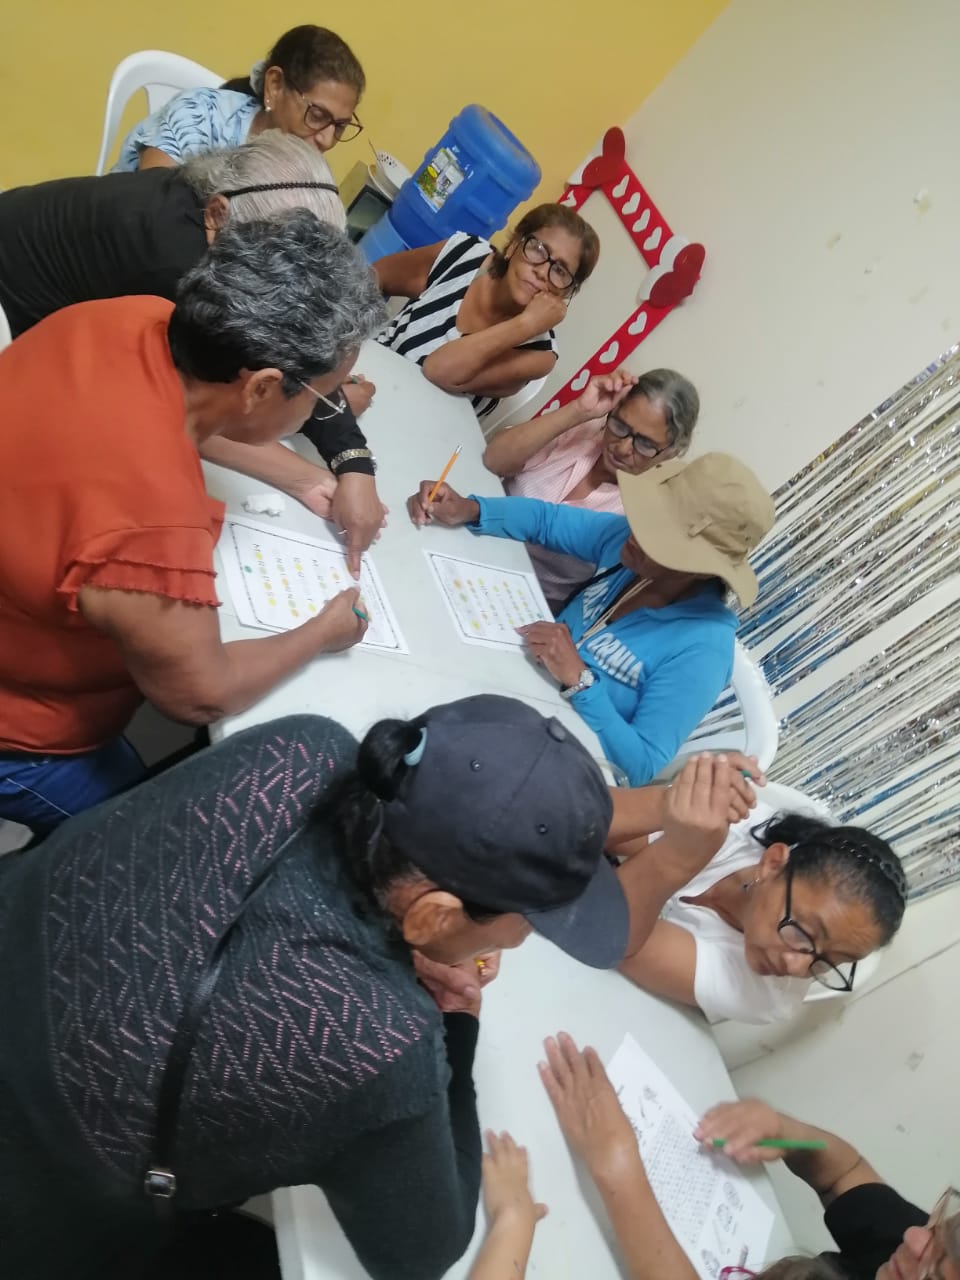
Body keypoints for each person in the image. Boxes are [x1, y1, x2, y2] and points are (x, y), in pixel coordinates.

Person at [0, 696, 633, 1279]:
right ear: (434, 915)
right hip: (36, 1201)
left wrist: (384, 950)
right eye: (528, 923)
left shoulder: (301, 747)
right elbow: (422, 1251)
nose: (521, 940)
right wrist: (457, 1027)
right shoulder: (380, 1044)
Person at [0, 211, 384, 836]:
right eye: (324, 397)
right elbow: (200, 693)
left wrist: (307, 480)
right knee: (144, 831)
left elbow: (194, 419)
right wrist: (324, 631)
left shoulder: (133, 317)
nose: (327, 409)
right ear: (262, 387)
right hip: (20, 729)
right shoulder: (149, 523)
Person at [0, 133, 383, 567]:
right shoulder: (176, 274)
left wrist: (351, 457)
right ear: (218, 215)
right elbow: (206, 407)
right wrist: (307, 477)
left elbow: (295, 352)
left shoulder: (194, 220)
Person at [407, 453, 775, 784]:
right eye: (647, 517)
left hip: (552, 763)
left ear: (698, 568)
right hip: (514, 691)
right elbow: (547, 521)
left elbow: (640, 765)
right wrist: (472, 509)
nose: (636, 533)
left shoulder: (703, 651)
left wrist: (580, 681)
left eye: (657, 537)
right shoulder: (631, 547)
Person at [539, 1033, 953, 1280]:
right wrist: (787, 1134)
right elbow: (845, 1172)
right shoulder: (919, 1244)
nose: (912, 1237)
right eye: (939, 1227)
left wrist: (617, 1167)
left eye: (934, 1273)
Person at [616, 800, 907, 1024]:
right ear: (772, 864)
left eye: (829, 962)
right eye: (802, 933)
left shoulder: (771, 994)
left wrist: (679, 851)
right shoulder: (739, 823)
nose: (796, 968)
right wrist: (668, 803)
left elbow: (613, 936)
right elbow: (601, 823)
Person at [483, 367, 700, 610]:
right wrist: (578, 411)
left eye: (645, 444)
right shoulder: (585, 430)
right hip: (478, 532)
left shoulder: (643, 515)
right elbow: (494, 459)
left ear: (671, 452)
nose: (623, 448)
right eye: (620, 426)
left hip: (519, 600)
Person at [375, 203, 600, 419]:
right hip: (371, 379)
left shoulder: (540, 354)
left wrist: (526, 325)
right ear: (514, 245)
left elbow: (438, 370)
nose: (542, 272)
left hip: (421, 430)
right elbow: (376, 276)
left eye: (560, 271)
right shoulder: (465, 253)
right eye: (539, 250)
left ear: (566, 291)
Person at [113, 24, 365, 171]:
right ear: (275, 86)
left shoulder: (300, 171)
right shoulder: (198, 117)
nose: (327, 140)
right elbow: (149, 215)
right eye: (318, 115)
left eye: (340, 126)